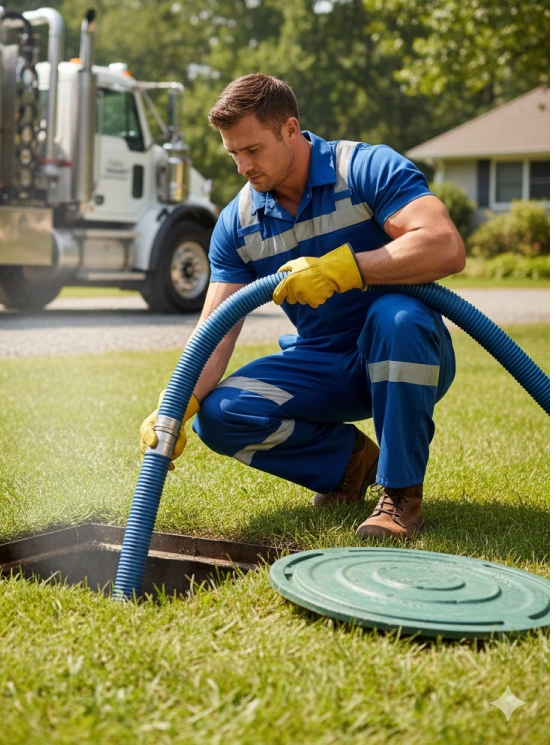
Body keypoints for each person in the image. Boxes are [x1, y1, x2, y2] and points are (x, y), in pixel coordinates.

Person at [140, 73, 466, 540]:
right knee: (221, 413)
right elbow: (215, 329)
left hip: (408, 349)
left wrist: (344, 269)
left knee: (395, 317)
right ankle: (351, 465)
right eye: (233, 153)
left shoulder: (364, 169)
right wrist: (177, 404)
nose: (242, 167)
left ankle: (400, 497)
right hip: (326, 362)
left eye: (252, 150)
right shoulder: (238, 222)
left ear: (290, 129)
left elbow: (445, 247)